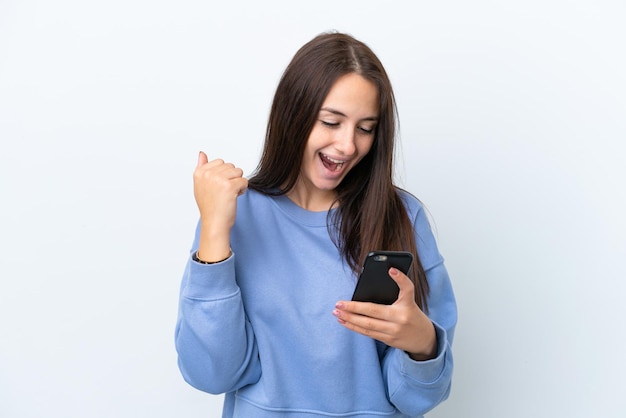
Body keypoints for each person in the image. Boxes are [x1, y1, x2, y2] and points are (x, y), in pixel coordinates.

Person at [175, 31, 457, 418]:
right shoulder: (234, 214)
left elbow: (416, 399)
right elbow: (212, 374)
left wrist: (423, 343)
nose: (347, 146)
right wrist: (213, 231)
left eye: (365, 128)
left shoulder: (402, 217)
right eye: (331, 121)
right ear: (294, 113)